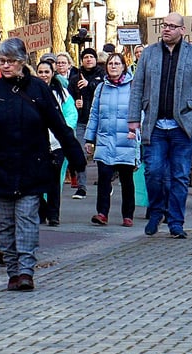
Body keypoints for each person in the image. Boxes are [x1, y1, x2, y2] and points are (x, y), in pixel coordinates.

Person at [0, 38, 85, 291]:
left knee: (26, 219)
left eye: (11, 61)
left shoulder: (38, 89)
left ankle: (26, 271)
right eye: (1, 61)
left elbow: (59, 125)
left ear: (22, 62)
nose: (5, 66)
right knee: (4, 224)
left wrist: (76, 158)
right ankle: (13, 270)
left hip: (32, 165)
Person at [127, 12, 192, 239]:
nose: (166, 29)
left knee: (180, 175)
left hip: (183, 126)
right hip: (155, 125)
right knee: (153, 171)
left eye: (172, 26)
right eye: (164, 25)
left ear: (182, 30)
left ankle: (176, 222)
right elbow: (137, 87)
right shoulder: (149, 54)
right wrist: (133, 119)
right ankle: (156, 211)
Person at [84, 53, 138, 227]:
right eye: (110, 63)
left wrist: (135, 130)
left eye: (117, 63)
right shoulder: (101, 88)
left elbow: (141, 111)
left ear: (124, 66)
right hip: (105, 140)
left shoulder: (133, 87)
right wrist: (89, 138)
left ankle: (128, 215)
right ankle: (102, 213)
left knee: (126, 180)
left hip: (126, 140)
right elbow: (94, 114)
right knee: (104, 178)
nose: (113, 66)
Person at [36, 60, 78, 227]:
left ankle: (53, 214)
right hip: (36, 143)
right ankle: (40, 211)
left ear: (52, 73)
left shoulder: (62, 94)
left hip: (56, 144)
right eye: (41, 72)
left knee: (54, 180)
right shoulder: (30, 91)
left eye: (47, 72)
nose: (44, 75)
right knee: (37, 180)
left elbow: (71, 115)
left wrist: (62, 130)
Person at [69, 47, 106, 200]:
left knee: (103, 156)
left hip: (101, 121)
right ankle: (81, 187)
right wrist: (74, 104)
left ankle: (105, 185)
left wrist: (89, 84)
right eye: (86, 57)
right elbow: (68, 98)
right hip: (82, 121)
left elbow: (104, 89)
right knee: (81, 155)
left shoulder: (103, 75)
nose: (88, 59)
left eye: (91, 56)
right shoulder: (75, 78)